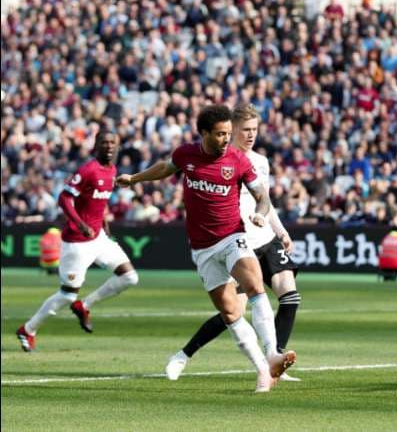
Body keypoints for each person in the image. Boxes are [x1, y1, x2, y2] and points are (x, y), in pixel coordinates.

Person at [116, 105, 295, 393]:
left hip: (233, 236)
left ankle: (273, 351)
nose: (227, 139)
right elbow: (165, 168)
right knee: (230, 312)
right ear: (204, 134)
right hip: (202, 247)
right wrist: (135, 178)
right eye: (221, 134)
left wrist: (261, 214)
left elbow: (262, 195)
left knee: (254, 284)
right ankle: (263, 369)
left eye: (228, 134)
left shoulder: (238, 160)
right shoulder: (186, 154)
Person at [164, 103, 302, 382]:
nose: (251, 135)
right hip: (236, 240)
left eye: (255, 130)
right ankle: (185, 353)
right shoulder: (220, 157)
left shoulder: (260, 161)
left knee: (290, 296)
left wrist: (281, 230)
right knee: (233, 310)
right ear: (231, 130)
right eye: (245, 130)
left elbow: (265, 200)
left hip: (264, 237)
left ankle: (274, 357)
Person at [17, 131, 140, 351]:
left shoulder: (112, 170)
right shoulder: (88, 170)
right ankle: (28, 329)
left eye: (113, 142)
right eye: (104, 142)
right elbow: (64, 198)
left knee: (130, 277)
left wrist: (105, 224)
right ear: (96, 145)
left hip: (99, 238)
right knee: (67, 294)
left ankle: (85, 305)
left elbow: (98, 202)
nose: (109, 146)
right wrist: (80, 224)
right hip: (77, 241)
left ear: (118, 147)